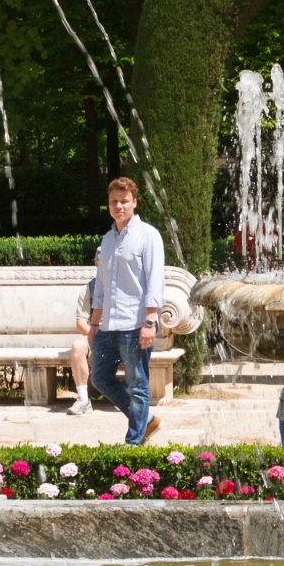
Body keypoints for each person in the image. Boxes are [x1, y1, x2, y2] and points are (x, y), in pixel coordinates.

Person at [87, 176, 167, 444]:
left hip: (135, 324)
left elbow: (155, 279)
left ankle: (134, 441)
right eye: (114, 202)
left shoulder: (148, 235)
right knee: (99, 378)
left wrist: (150, 321)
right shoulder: (107, 239)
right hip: (108, 325)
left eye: (124, 201)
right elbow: (100, 286)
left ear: (134, 202)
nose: (119, 206)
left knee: (138, 384)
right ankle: (145, 421)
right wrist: (94, 324)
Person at [66, 278, 94, 416]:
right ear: (95, 263)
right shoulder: (89, 288)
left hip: (118, 335)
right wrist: (96, 335)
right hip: (94, 334)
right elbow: (81, 323)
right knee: (77, 346)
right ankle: (83, 400)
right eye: (99, 257)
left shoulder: (124, 283)